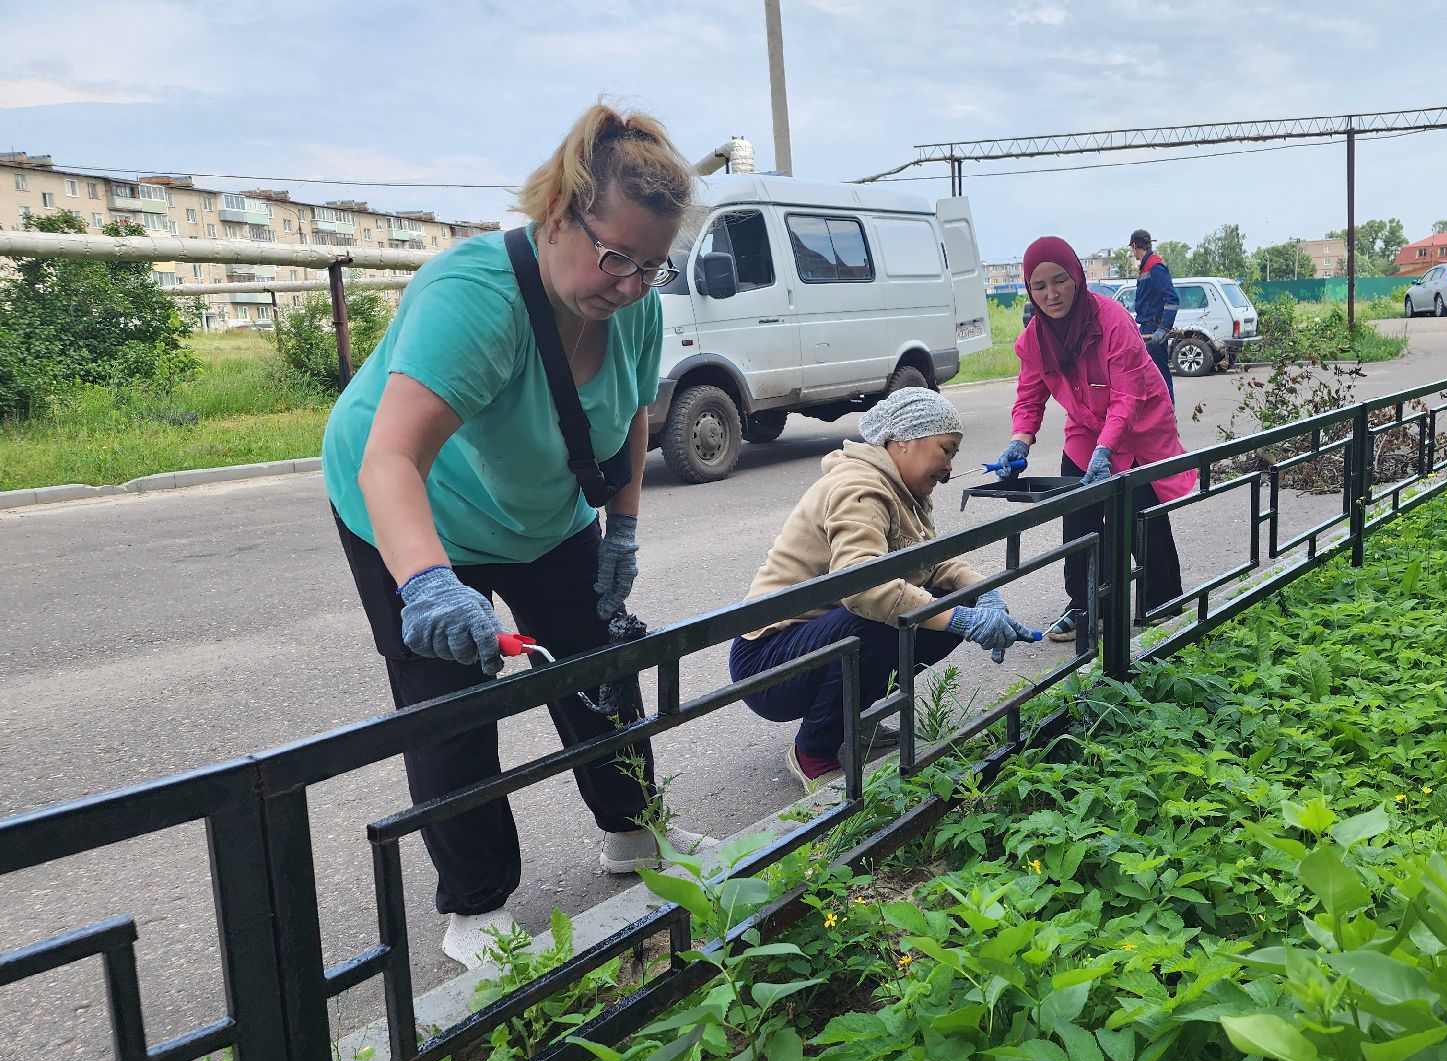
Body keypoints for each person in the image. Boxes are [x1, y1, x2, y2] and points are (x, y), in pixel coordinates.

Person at [321, 103, 695, 970]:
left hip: (543, 509)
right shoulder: (475, 297)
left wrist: (623, 530)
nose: (632, 285)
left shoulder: (633, 303)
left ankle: (634, 833)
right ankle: (477, 906)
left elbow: (631, 416)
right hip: (414, 505)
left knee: (596, 661)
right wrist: (427, 583)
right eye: (616, 257)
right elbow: (391, 461)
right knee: (451, 698)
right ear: (558, 214)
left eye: (652, 266)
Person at [731, 387, 1037, 790]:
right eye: (946, 450)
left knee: (935, 607)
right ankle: (813, 752)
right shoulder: (859, 487)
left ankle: (848, 720)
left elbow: (929, 564)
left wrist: (984, 594)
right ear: (905, 440)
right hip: (767, 661)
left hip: (816, 637)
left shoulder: (903, 490)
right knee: (882, 617)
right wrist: (962, 619)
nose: (949, 466)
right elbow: (862, 588)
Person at [994, 236, 1194, 643]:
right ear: (1029, 290)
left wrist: (1107, 448)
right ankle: (1087, 605)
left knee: (1141, 514)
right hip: (1086, 429)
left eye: (1059, 280)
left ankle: (1163, 603)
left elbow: (1128, 397)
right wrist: (1020, 441)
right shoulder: (1035, 339)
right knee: (1079, 517)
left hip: (1138, 425)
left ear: (1077, 277)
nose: (1051, 294)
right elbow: (1029, 398)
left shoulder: (1112, 320)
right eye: (1039, 286)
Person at [1129, 228, 1179, 399]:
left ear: (1134, 246)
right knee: (1149, 376)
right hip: (1147, 327)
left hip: (1154, 328)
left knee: (1160, 376)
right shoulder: (1146, 267)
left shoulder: (1154, 266)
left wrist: (1163, 328)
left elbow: (1172, 299)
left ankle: (1169, 411)